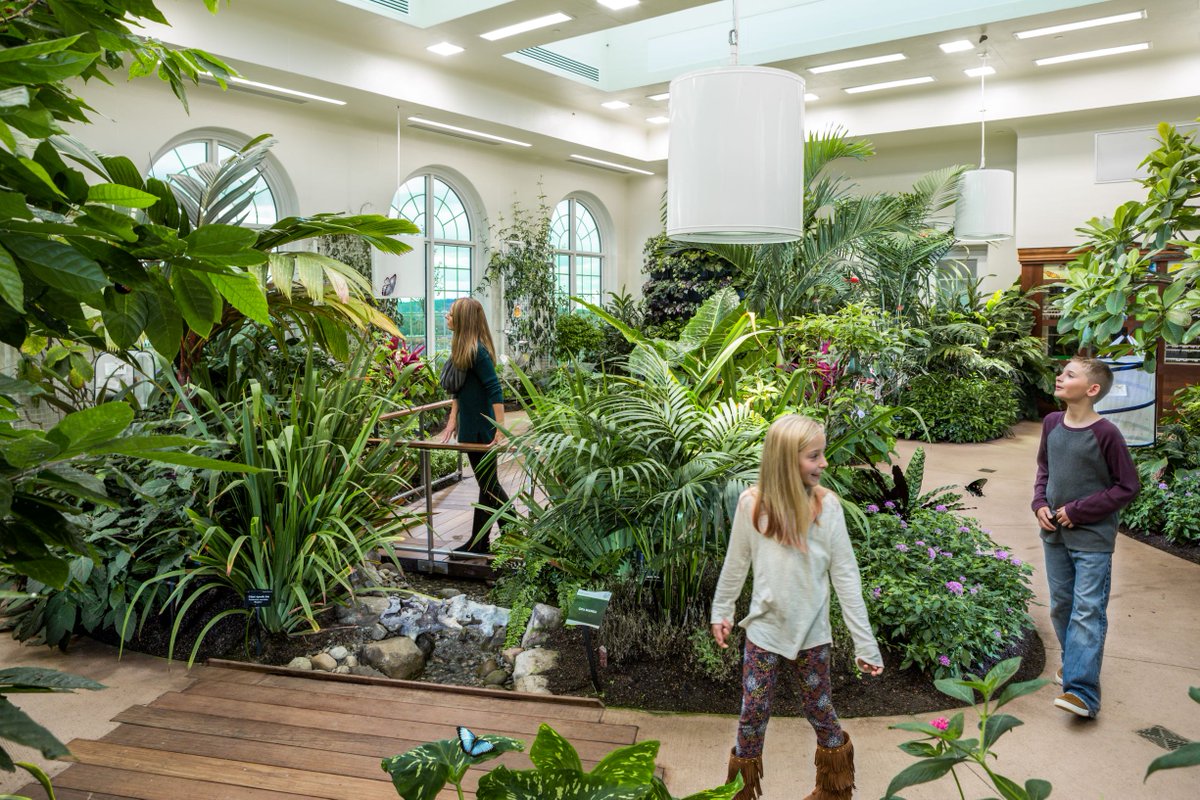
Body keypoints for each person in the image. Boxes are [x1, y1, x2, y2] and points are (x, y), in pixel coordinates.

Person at [711, 414, 883, 800]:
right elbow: (736, 563)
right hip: (764, 632)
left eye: (822, 455)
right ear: (786, 460)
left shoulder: (828, 509)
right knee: (752, 714)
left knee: (821, 711)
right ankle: (739, 794)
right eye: (814, 456)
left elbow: (847, 580)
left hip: (812, 635)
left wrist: (865, 644)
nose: (824, 464)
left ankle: (834, 790)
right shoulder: (752, 505)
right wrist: (722, 611)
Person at [1032, 356, 1138, 719]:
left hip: (1092, 539)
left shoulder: (1106, 433)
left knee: (1087, 610)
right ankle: (1077, 664)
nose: (1060, 377)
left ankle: (1083, 693)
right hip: (1054, 536)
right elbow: (1045, 469)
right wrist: (1039, 503)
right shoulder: (1050, 423)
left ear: (1092, 390)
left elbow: (1127, 486)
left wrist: (1079, 510)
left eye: (1069, 374)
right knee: (1062, 606)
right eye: (1061, 372)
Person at [439, 296, 509, 555]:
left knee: (489, 485)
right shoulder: (462, 348)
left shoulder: (477, 351)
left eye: (451, 313)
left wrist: (501, 429)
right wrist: (451, 421)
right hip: (470, 426)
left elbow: (494, 389)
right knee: (487, 486)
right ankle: (480, 542)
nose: (446, 316)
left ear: (463, 320)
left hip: (482, 428)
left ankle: (511, 531)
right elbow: (459, 390)